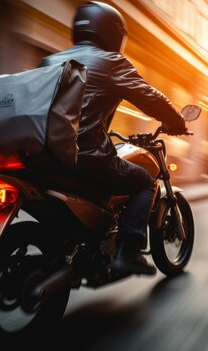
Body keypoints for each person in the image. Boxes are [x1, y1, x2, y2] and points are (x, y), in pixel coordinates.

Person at [39, 1, 187, 275]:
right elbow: (149, 96)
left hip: (41, 155)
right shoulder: (111, 61)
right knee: (145, 182)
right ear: (112, 32)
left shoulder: (51, 60)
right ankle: (128, 252)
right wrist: (176, 120)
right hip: (84, 156)